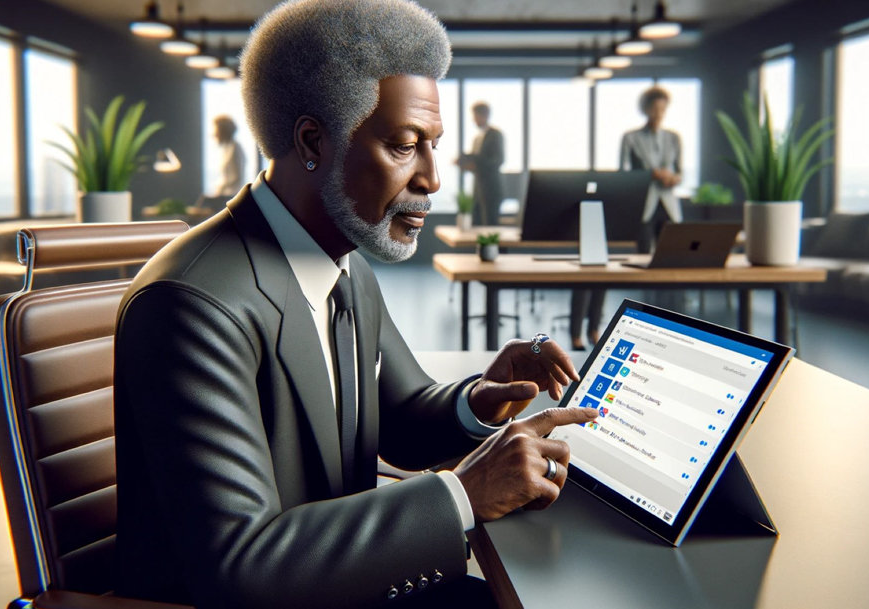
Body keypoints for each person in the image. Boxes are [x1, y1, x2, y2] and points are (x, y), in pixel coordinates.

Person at [112, 2, 597, 608]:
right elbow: (238, 566)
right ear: (313, 142)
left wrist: (481, 401)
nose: (432, 179)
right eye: (403, 146)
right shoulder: (191, 306)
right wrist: (463, 495)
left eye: (434, 146)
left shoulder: (344, 264)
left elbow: (399, 415)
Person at [568, 86, 683, 350]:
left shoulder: (673, 138)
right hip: (643, 206)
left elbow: (680, 173)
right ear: (645, 109)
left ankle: (668, 327)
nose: (659, 112)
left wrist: (672, 178)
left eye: (663, 107)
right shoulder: (631, 138)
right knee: (641, 266)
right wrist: (652, 175)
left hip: (669, 206)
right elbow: (624, 173)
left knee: (672, 267)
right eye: (654, 107)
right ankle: (635, 324)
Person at [456, 102, 505, 226]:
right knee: (477, 224)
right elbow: (476, 159)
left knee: (490, 225)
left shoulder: (495, 134)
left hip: (491, 189)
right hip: (478, 188)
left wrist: (475, 166)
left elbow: (498, 160)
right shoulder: (477, 138)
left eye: (475, 116)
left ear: (485, 115)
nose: (474, 120)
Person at [211, 115, 245, 197]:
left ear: (223, 131)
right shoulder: (227, 148)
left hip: (232, 196)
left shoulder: (235, 148)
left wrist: (221, 188)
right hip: (225, 195)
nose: (214, 134)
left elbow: (236, 177)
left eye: (216, 130)